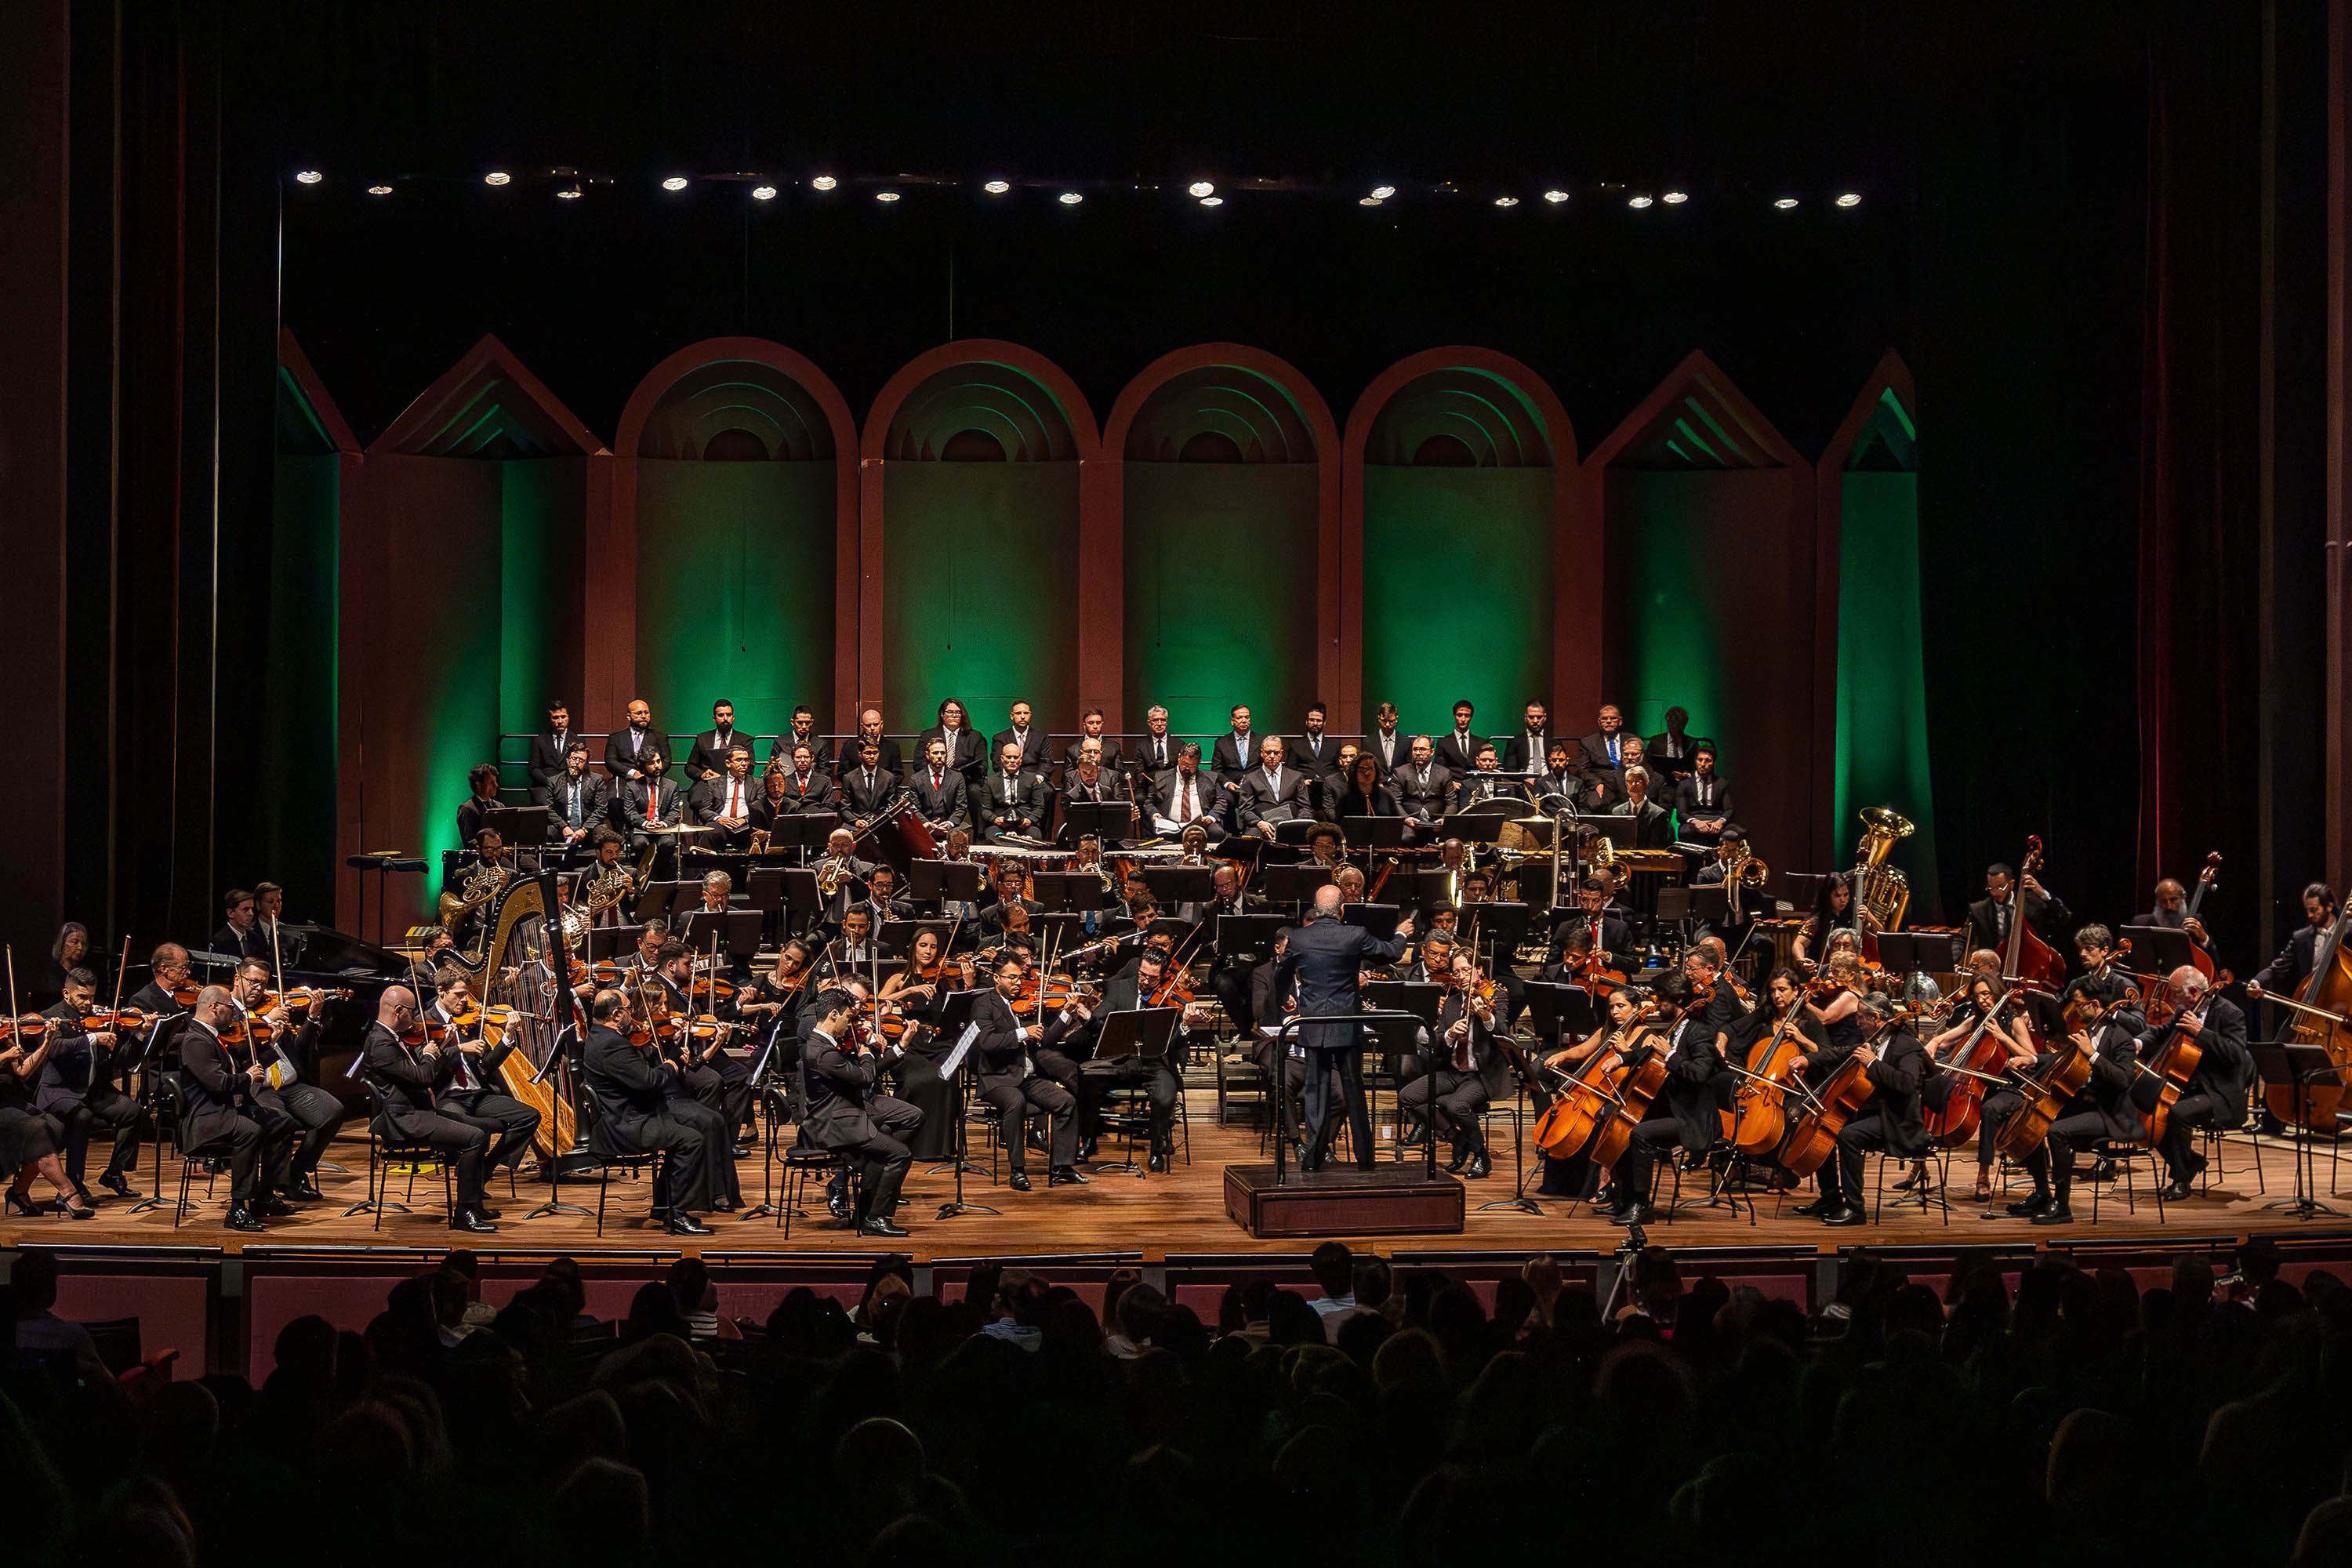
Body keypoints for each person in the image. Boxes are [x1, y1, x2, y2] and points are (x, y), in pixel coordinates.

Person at [1272, 885, 1414, 1171]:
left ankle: (1312, 1159)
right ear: (1343, 910)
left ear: (1314, 907)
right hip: (1346, 1025)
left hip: (1312, 1024)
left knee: (1316, 1091)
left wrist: (1281, 1005)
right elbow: (1392, 954)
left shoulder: (1298, 938)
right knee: (1354, 1091)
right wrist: (1401, 934)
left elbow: (1280, 977)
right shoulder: (1355, 934)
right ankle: (1365, 1159)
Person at [360, 986, 499, 1232]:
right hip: (406, 1118)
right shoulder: (381, 1043)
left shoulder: (391, 1036)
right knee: (475, 1137)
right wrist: (428, 1055)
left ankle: (474, 1201)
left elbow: (421, 1073)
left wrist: (442, 1045)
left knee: (484, 1128)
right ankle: (464, 1213)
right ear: (399, 1010)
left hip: (419, 1110)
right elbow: (423, 1077)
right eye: (412, 1013)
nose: (415, 1019)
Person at [579, 989, 717, 1236]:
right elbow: (649, 1081)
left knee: (696, 1124)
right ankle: (677, 1213)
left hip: (626, 1116)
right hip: (627, 1125)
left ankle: (665, 1206)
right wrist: (672, 1063)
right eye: (630, 1009)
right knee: (693, 1141)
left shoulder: (597, 1036)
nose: (633, 1015)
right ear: (616, 1014)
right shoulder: (613, 1045)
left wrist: (658, 1052)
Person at [2008, 992, 2141, 1225]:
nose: (2075, 1011)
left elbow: (2123, 1080)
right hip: (2083, 1103)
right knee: (2035, 1122)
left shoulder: (2121, 1038)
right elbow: (2063, 1059)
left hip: (2109, 1112)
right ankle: (2042, 1193)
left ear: (2095, 1003)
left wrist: (2093, 1054)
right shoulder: (2087, 1031)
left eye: (2078, 1005)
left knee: (2057, 1131)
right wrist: (2035, 1060)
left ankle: (2062, 1207)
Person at [799, 988, 920, 1237]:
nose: (850, 1024)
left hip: (842, 1115)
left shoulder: (824, 1045)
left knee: (886, 1139)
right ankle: (876, 1216)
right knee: (901, 1154)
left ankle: (866, 1212)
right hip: (833, 1125)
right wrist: (865, 1049)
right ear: (833, 1014)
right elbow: (865, 1077)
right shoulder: (824, 1053)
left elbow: (858, 1074)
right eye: (848, 1018)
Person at [176, 985, 297, 1232]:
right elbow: (219, 1083)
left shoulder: (213, 1034)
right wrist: (249, 1078)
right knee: (249, 1131)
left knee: (283, 1122)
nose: (235, 1014)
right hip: (206, 1116)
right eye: (231, 1008)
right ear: (215, 1007)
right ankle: (238, 1207)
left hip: (226, 1109)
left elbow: (239, 1064)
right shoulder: (196, 1040)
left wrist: (266, 1045)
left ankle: (264, 1195)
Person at [229, 959, 350, 1200]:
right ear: (237, 979)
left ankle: (296, 1171)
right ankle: (275, 1186)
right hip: (257, 1088)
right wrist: (265, 1023)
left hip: (291, 1085)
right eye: (253, 982)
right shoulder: (226, 1011)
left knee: (332, 1110)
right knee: (280, 1121)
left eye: (263, 984)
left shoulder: (272, 1007)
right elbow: (237, 1052)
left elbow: (301, 1052)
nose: (259, 989)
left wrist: (312, 1019)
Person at [2135, 965, 2252, 1200]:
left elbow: (2236, 1055)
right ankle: (2191, 1161)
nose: (2170, 998)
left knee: (2177, 1114)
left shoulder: (2230, 1013)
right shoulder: (2184, 1011)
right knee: (2143, 1104)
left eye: (2174, 992)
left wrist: (2201, 1033)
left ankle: (2181, 1179)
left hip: (2220, 1091)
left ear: (2193, 993)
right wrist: (2137, 1043)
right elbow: (2160, 1033)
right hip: (2189, 1086)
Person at [419, 968, 544, 1189]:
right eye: (458, 994)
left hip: (478, 1095)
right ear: (441, 992)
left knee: (529, 1116)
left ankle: (488, 1166)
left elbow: (487, 1065)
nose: (464, 1000)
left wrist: (508, 1036)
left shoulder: (471, 1020)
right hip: (447, 1097)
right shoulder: (426, 1022)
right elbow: (427, 1066)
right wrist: (457, 1047)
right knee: (474, 1131)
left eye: (466, 994)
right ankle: (470, 1187)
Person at [1602, 974, 1711, 1225]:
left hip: (1690, 1116)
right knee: (1614, 1115)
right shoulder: (1672, 1029)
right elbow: (1646, 1054)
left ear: (1680, 1000)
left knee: (1640, 1132)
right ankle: (1623, 1196)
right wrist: (1621, 1058)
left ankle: (1642, 1206)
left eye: (1662, 999)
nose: (1657, 1003)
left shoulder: (1699, 1033)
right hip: (1669, 1109)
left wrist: (1671, 1055)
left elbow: (1699, 1074)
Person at [969, 953, 1082, 1189]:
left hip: (1026, 1075)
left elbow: (1044, 1040)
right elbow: (986, 1042)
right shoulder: (983, 1004)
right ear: (996, 977)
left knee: (1066, 1101)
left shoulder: (1024, 1004)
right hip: (997, 1078)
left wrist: (1066, 1013)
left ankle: (1062, 1166)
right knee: (1016, 1103)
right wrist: (1023, 1033)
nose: (1018, 983)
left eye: (1019, 978)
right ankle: (1017, 1170)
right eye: (1011, 978)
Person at [1820, 993, 1929, 1226]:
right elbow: (1839, 1052)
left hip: (1896, 1119)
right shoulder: (1875, 1040)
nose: (1857, 1022)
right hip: (1874, 1112)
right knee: (1825, 1127)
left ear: (1876, 1018)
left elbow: (1907, 1084)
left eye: (1861, 1018)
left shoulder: (1907, 1045)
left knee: (1848, 1136)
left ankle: (1855, 1209)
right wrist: (1808, 1060)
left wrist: (1872, 1063)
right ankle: (1830, 1199)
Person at [1928, 973, 2038, 1203]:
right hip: (1974, 1083)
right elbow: (1945, 1039)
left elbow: (2032, 1056)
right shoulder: (1976, 1020)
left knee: (1989, 1111)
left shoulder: (2012, 1020)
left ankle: (1983, 1176)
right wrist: (1933, 1043)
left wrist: (2002, 1037)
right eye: (1978, 996)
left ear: (1997, 993)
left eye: (1986, 995)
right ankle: (1919, 1167)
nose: (1982, 1001)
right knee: (1934, 1089)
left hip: (2007, 1086)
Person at [1398, 953, 1508, 1177]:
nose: (1461, 976)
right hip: (1453, 1071)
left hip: (1481, 1074)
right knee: (1407, 1097)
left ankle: (1481, 1155)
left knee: (1456, 1106)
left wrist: (1486, 1016)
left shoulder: (1496, 996)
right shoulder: (1452, 1003)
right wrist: (1449, 1033)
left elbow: (1503, 1034)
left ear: (1479, 970)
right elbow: (1437, 1042)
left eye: (1466, 970)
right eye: (1456, 972)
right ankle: (1456, 1137)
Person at [2246, 883, 2337, 1002]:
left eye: (2314, 910)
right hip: (2311, 1003)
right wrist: (2257, 981)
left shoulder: (2348, 933)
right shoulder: (2301, 937)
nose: (2309, 915)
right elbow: (2278, 967)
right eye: (2307, 910)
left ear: (2329, 906)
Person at [1963, 860, 2071, 956]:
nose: (1995, 892)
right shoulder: (1979, 910)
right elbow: (1963, 939)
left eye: (2000, 887)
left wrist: (2043, 894)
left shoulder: (2032, 902)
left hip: (2029, 963)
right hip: (1994, 968)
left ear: (2011, 884)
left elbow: (2064, 917)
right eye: (1991, 887)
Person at [1792, 872, 1870, 971]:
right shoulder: (1817, 920)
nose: (1843, 900)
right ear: (1828, 896)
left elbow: (1877, 932)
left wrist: (1871, 918)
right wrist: (1801, 960)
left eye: (1846, 894)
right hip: (1824, 971)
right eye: (1837, 896)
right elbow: (1799, 943)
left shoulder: (1853, 914)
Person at [1238, 735, 1312, 837]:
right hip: (1261, 824)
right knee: (1252, 838)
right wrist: (1259, 823)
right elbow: (1245, 810)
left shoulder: (1296, 777)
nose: (1272, 756)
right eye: (1268, 752)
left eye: (1276, 753)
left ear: (1281, 754)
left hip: (1291, 823)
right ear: (1262, 754)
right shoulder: (1250, 778)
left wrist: (1298, 823)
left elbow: (1305, 807)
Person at [546, 739, 613, 849]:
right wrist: (563, 827)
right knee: (547, 832)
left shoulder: (596, 780)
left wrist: (584, 829)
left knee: (602, 832)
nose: (576, 763)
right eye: (574, 759)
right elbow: (549, 809)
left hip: (588, 826)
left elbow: (601, 809)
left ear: (585, 763)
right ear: (568, 760)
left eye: (581, 760)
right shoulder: (554, 781)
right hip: (563, 825)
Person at [981, 740, 1051, 841]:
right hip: (999, 823)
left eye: (1016, 757)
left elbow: (1039, 807)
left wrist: (1030, 820)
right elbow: (985, 810)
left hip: (1025, 823)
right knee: (992, 837)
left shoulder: (1032, 779)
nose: (1012, 760)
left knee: (1035, 836)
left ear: (1020, 759)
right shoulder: (991, 781)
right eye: (1009, 757)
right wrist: (995, 819)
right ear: (1002, 759)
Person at [1392, 735, 1456, 838]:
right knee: (1406, 837)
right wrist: (1405, 818)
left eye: (1422, 750)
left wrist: (1445, 819)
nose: (1418, 753)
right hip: (1410, 823)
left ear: (1432, 752)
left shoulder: (1444, 773)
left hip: (1436, 822)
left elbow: (1452, 802)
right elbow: (1395, 801)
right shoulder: (1400, 772)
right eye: (1415, 750)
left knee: (1452, 840)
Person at [1153, 743, 1222, 837]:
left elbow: (1221, 801)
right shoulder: (1161, 777)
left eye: (1192, 766)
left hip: (1201, 825)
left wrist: (1211, 817)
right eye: (1184, 764)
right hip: (1170, 824)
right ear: (1179, 758)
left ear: (1198, 762)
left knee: (1217, 832)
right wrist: (1154, 813)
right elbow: (1149, 801)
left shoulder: (1211, 778)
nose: (1186, 768)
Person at [2136, 877, 2216, 954]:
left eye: (2173, 900)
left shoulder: (2196, 921)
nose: (2169, 906)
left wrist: (2204, 938)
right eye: (2163, 901)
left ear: (2183, 898)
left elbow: (2216, 962)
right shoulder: (2142, 923)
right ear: (2157, 902)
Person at [1671, 745, 1733, 842]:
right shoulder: (1685, 784)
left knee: (1733, 834)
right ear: (1695, 761)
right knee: (1685, 831)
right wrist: (1696, 822)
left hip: (1716, 820)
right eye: (1700, 760)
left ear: (1714, 763)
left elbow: (1729, 809)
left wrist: (1720, 822)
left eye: (1708, 761)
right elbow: (1681, 813)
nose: (1703, 764)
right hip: (1694, 820)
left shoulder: (1722, 783)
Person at [916, 697, 986, 783]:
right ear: (942, 714)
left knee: (975, 790)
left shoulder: (975, 737)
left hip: (966, 781)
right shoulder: (928, 736)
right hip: (934, 779)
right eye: (950, 712)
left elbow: (983, 765)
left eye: (958, 712)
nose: (954, 715)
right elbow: (919, 763)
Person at [909, 736, 970, 832]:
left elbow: (961, 807)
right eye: (935, 753)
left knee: (964, 831)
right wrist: (927, 824)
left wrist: (950, 823)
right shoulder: (916, 779)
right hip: (926, 825)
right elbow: (914, 809)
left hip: (950, 825)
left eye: (943, 753)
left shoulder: (957, 777)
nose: (940, 756)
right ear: (927, 755)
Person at [604, 698, 670, 785]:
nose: (643, 716)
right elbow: (610, 761)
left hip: (652, 780)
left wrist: (651, 775)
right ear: (629, 716)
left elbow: (667, 761)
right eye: (638, 713)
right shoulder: (616, 738)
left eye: (646, 713)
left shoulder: (660, 737)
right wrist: (632, 773)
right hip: (624, 780)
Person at [525, 699, 578, 805]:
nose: (560, 721)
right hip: (544, 784)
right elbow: (533, 769)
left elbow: (583, 767)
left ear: (568, 718)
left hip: (569, 783)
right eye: (555, 717)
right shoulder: (539, 740)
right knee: (545, 804)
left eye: (563, 717)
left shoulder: (577, 741)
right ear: (550, 719)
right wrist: (549, 782)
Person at [839, 738, 900, 827]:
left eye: (875, 753)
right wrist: (855, 821)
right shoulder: (849, 778)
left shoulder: (888, 777)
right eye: (868, 753)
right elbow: (844, 808)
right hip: (856, 823)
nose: (872, 757)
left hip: (881, 823)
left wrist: (881, 820)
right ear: (860, 754)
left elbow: (891, 805)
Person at [684, 699, 749, 782]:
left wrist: (723, 778)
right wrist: (702, 774)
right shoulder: (702, 739)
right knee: (696, 795)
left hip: (735, 782)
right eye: (721, 715)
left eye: (729, 715)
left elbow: (750, 768)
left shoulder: (745, 740)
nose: (725, 718)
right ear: (714, 719)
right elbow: (690, 766)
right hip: (706, 782)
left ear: (733, 718)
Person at [1610, 766, 1673, 848]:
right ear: (1626, 785)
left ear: (1646, 783)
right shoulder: (1617, 812)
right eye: (1630, 782)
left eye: (1637, 782)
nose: (1633, 785)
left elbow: (1656, 846)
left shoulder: (1658, 814)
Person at [992, 699, 1050, 775]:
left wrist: (1039, 778)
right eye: (1018, 713)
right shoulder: (1000, 738)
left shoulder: (1041, 737)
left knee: (1047, 787)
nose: (1023, 717)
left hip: (1034, 778)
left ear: (1030, 715)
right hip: (1008, 777)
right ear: (1012, 716)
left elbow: (1047, 762)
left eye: (1026, 713)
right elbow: (997, 763)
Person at [212, 887, 264, 964]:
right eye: (246, 909)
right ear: (230, 913)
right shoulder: (220, 941)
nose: (251, 914)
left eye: (252, 909)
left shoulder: (255, 937)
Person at [1499, 701, 1552, 775]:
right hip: (1524, 781)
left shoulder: (1554, 742)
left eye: (1539, 717)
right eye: (1531, 717)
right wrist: (1524, 778)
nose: (1535, 721)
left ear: (1545, 718)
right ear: (1525, 717)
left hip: (1549, 782)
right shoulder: (1515, 742)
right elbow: (1509, 768)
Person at [1210, 704, 1258, 784]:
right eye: (1239, 718)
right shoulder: (1222, 743)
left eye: (1247, 717)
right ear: (1232, 721)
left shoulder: (1261, 740)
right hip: (1231, 786)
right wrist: (1227, 783)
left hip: (1256, 786)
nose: (1244, 721)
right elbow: (1216, 770)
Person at [1065, 707, 1125, 773]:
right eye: (1091, 723)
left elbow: (1120, 774)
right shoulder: (1073, 749)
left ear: (1102, 724)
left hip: (1107, 782)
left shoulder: (1114, 748)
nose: (1095, 726)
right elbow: (1067, 776)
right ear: (1084, 725)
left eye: (1098, 723)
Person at [1285, 702, 1336, 775]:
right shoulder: (1296, 745)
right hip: (1304, 785)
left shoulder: (1334, 745)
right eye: (1312, 720)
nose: (1315, 723)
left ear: (1324, 723)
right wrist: (1301, 782)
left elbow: (1338, 771)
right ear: (1306, 722)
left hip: (1328, 785)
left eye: (1319, 721)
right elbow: (1290, 770)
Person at [1578, 703, 1629, 773]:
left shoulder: (1631, 740)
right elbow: (1583, 769)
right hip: (1601, 781)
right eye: (1604, 719)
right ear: (1599, 722)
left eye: (1613, 718)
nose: (1608, 721)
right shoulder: (1588, 742)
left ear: (1620, 721)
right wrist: (1597, 784)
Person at [1134, 704, 1179, 778]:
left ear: (1166, 723)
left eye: (1163, 720)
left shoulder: (1178, 744)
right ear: (1149, 723)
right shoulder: (1142, 746)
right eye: (1155, 720)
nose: (1159, 724)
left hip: (1173, 785)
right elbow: (1139, 774)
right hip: (1150, 785)